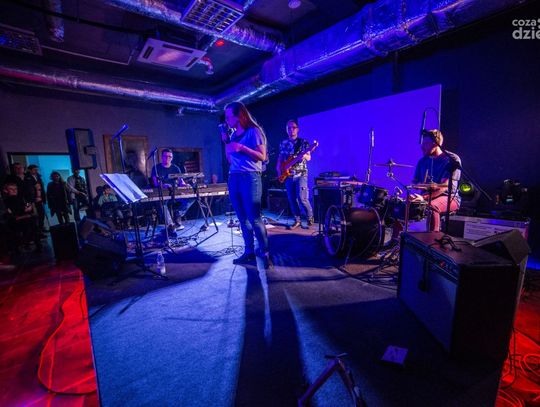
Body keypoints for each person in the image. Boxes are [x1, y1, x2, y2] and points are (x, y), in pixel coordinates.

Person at [220, 101, 271, 268]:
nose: (227, 120)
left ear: (239, 115)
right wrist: (227, 142)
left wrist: (242, 147)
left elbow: (262, 156)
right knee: (242, 218)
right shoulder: (233, 135)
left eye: (229, 116)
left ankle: (265, 253)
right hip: (234, 177)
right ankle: (249, 252)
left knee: (254, 218)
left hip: (250, 177)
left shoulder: (254, 131)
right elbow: (230, 160)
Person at [411, 129, 461, 231]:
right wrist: (416, 190)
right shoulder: (422, 161)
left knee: (432, 206)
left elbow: (444, 187)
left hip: (449, 197)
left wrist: (423, 198)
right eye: (422, 144)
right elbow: (414, 182)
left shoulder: (451, 159)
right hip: (426, 197)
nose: (422, 147)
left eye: (426, 144)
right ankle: (397, 239)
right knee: (400, 205)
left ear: (436, 144)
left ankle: (434, 238)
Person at [276, 119, 314, 229]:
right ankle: (297, 220)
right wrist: (278, 169)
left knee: (302, 198)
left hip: (301, 174)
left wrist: (303, 156)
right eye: (289, 128)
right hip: (288, 174)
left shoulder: (303, 142)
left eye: (293, 127)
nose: (291, 130)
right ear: (286, 130)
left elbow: (309, 157)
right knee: (292, 199)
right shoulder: (283, 143)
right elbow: (281, 157)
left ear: (297, 129)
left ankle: (310, 217)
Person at [151, 148, 191, 233]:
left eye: (170, 157)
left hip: (175, 193)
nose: (168, 158)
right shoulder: (156, 168)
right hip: (163, 193)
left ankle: (178, 213)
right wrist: (163, 185)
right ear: (162, 157)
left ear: (172, 158)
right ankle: (171, 225)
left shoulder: (175, 168)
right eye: (165, 156)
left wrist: (185, 185)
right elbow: (155, 183)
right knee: (162, 203)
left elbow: (181, 182)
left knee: (191, 198)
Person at [2, 182, 42, 253]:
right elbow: (12, 213)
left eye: (15, 189)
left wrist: (28, 206)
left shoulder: (20, 198)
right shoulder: (5, 201)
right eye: (11, 189)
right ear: (6, 191)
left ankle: (36, 245)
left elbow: (27, 205)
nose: (14, 191)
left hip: (25, 219)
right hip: (15, 222)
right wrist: (24, 211)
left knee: (33, 223)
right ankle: (20, 247)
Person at [24, 165, 47, 235]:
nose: (36, 171)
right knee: (35, 215)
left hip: (39, 199)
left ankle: (41, 228)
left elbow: (41, 188)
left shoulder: (38, 177)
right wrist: (33, 199)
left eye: (37, 169)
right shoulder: (27, 178)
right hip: (32, 200)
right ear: (30, 170)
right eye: (34, 169)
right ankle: (37, 232)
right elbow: (29, 189)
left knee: (41, 214)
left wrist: (43, 198)